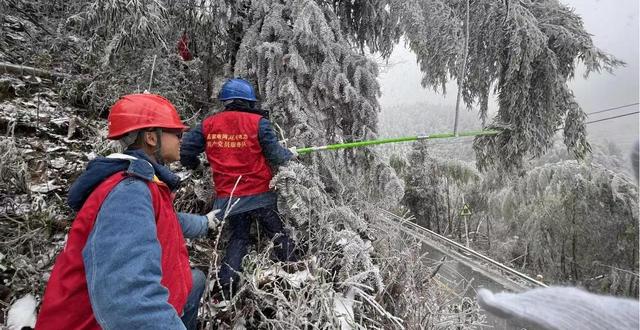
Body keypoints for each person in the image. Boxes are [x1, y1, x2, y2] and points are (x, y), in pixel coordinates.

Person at [36, 94, 219, 330]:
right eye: (177, 134)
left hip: (141, 306)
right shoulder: (128, 191)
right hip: (98, 324)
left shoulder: (142, 183)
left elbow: (168, 220)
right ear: (153, 138)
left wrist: (204, 223)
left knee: (194, 282)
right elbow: (129, 302)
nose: (182, 140)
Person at [180, 78, 297, 302]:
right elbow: (275, 155)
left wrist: (196, 165)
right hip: (261, 195)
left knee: (239, 238)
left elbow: (186, 150)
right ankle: (295, 274)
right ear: (249, 101)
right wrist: (290, 155)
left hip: (228, 199)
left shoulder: (208, 124)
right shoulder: (259, 123)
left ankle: (226, 289)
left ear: (226, 101)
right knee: (278, 233)